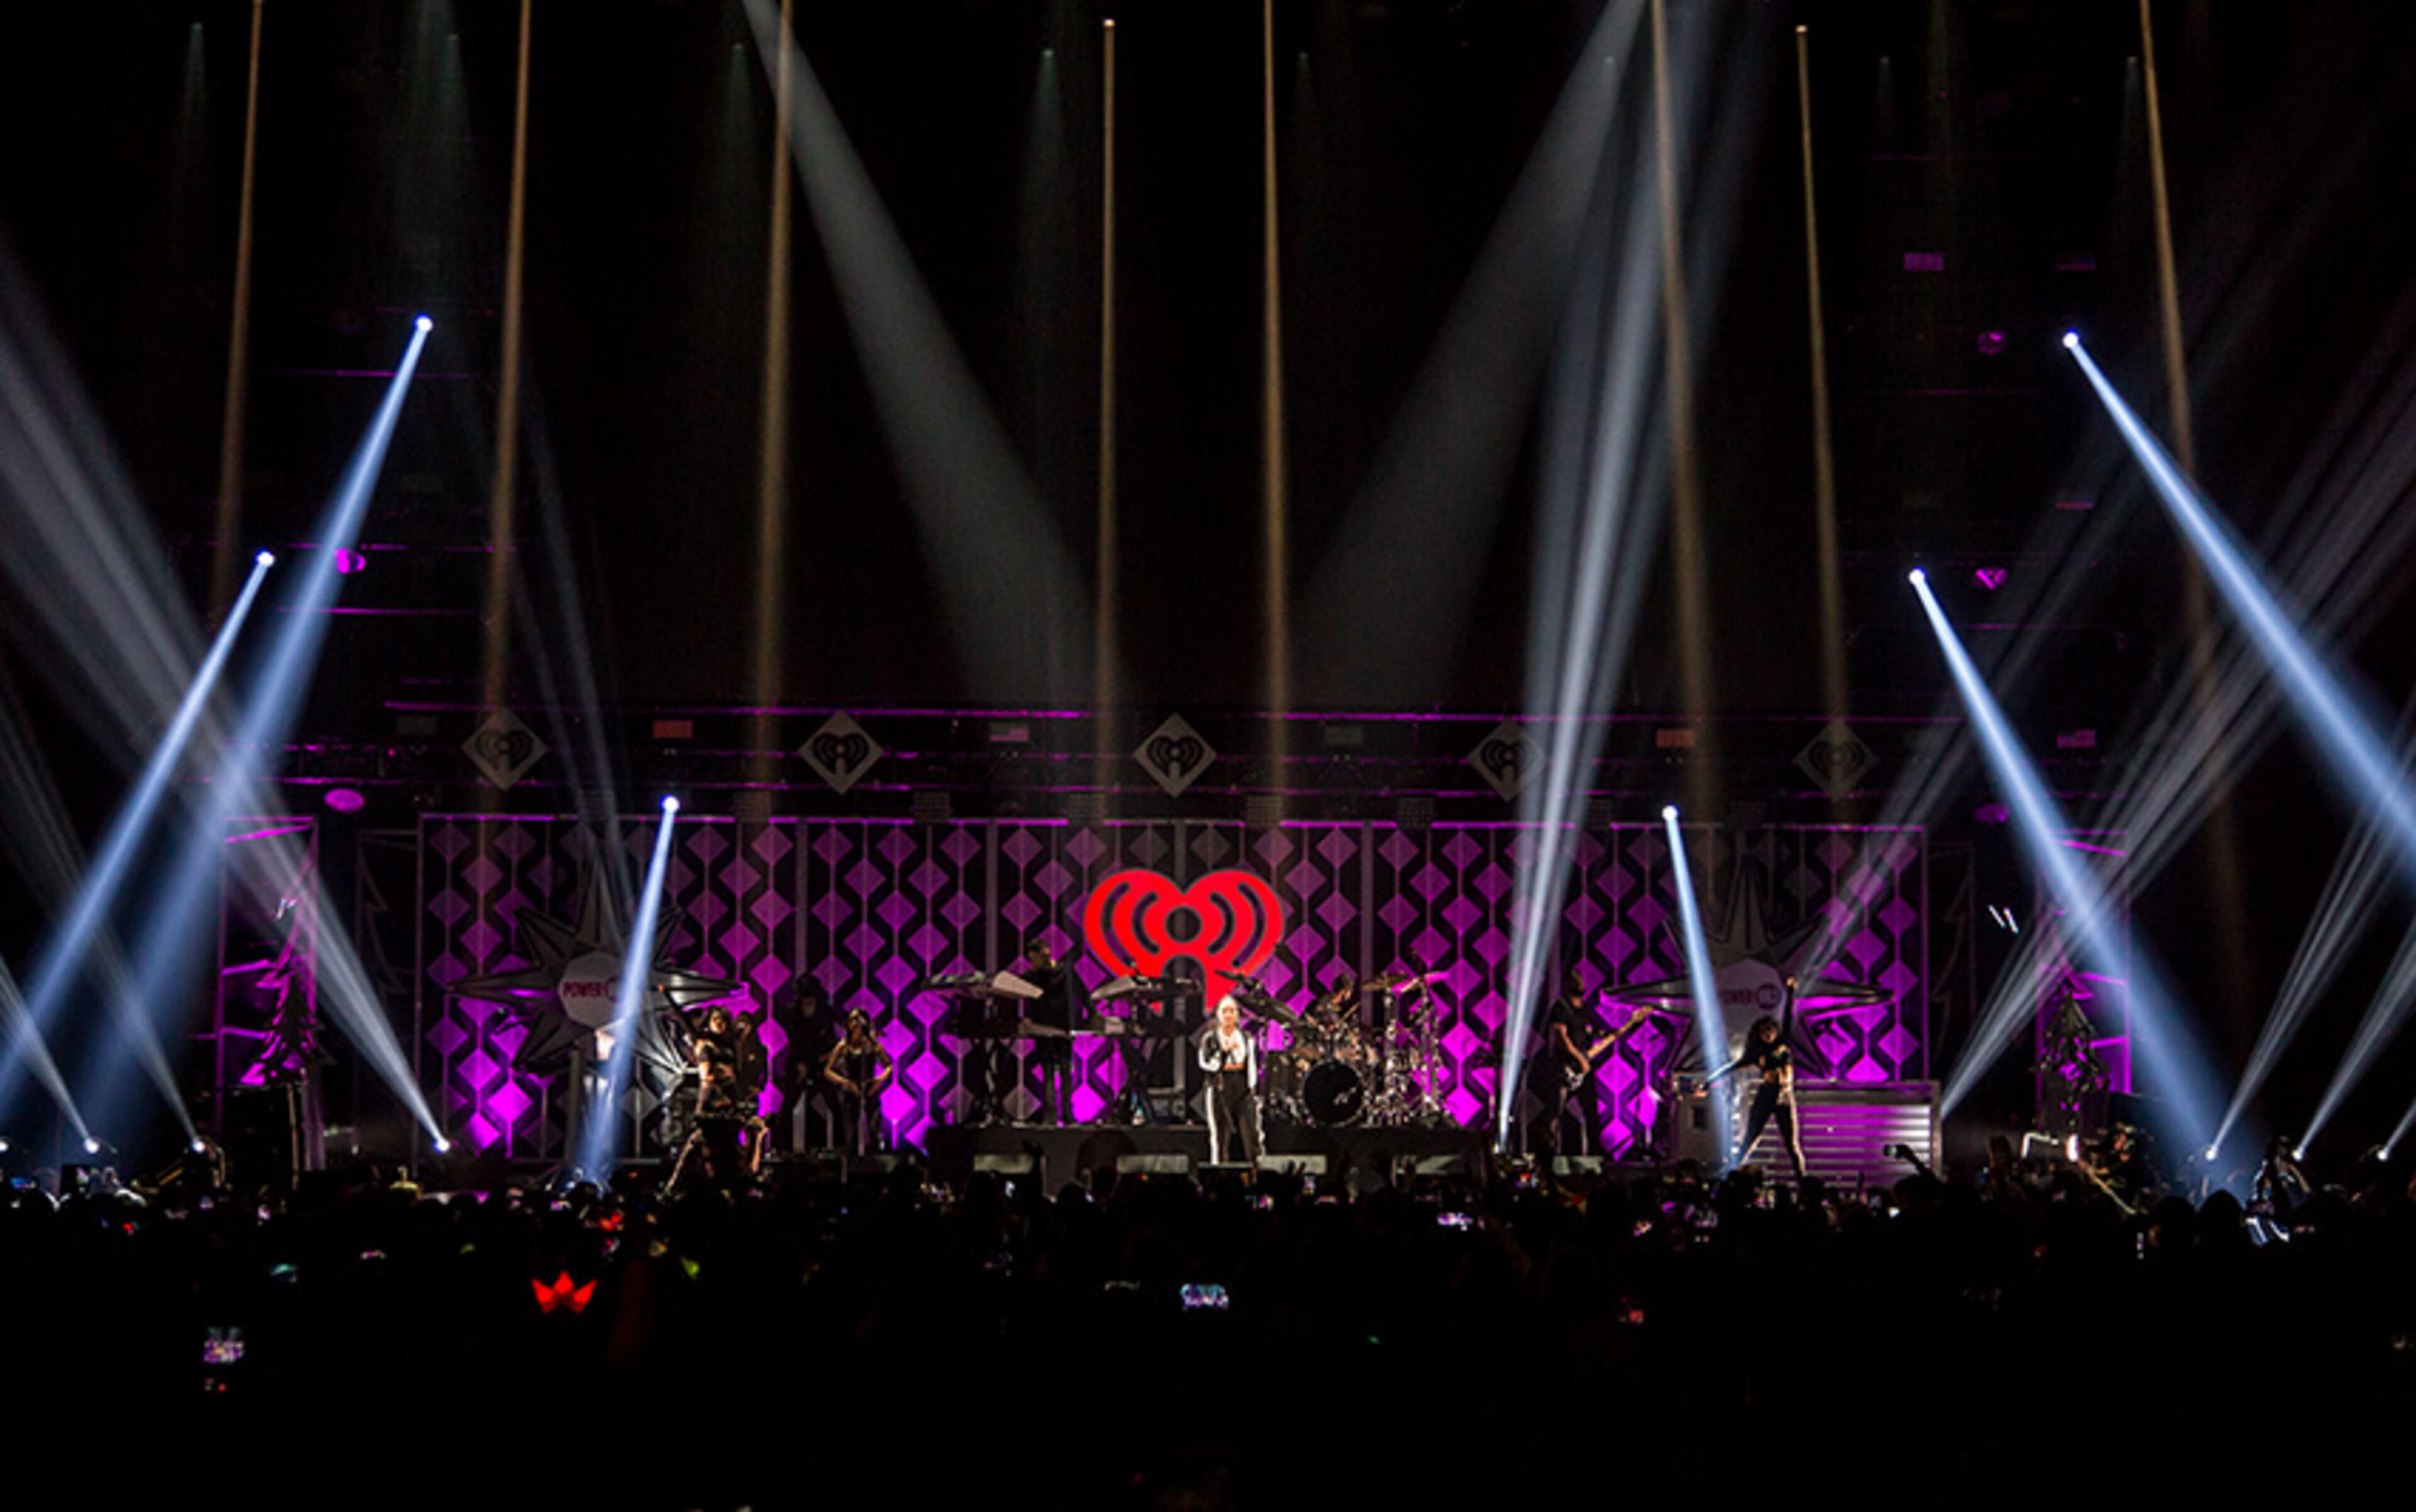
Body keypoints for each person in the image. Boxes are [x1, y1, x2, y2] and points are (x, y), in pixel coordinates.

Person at [1708, 1013, 1808, 1180]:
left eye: (1770, 1031)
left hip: (1784, 1098)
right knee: (1750, 1139)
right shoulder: (1757, 1053)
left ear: (1776, 1031)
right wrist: (1709, 1082)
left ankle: (1803, 1180)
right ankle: (1729, 1174)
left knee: (1792, 1145)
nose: (1768, 1034)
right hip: (1767, 1096)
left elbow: (1788, 1017)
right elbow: (1733, 1067)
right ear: (1760, 1035)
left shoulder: (1783, 1045)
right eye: (1764, 1032)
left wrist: (1791, 991)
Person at [1024, 936, 1082, 1124]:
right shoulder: (1033, 975)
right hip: (1043, 1028)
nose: (1035, 964)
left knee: (1064, 1070)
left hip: (1062, 1027)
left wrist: (1092, 1012)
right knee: (1049, 1071)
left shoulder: (1065, 971)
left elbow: (1082, 992)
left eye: (1036, 959)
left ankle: (1067, 1112)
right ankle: (1051, 1114)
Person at [1198, 995, 1261, 1167]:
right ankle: (1219, 1176)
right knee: (1220, 1137)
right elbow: (1205, 1063)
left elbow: (1253, 1064)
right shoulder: (1210, 1038)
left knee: (1251, 1135)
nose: (1228, 1015)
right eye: (1225, 1011)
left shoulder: (1246, 1037)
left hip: (1242, 1085)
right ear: (1218, 1015)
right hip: (1220, 1086)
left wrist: (1252, 1087)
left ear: (1237, 1015)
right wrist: (1223, 1052)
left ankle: (1255, 1175)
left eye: (1232, 1011)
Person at [822, 1008, 894, 1156]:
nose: (856, 1023)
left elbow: (889, 1066)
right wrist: (845, 1083)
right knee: (850, 1131)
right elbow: (827, 1071)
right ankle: (850, 1164)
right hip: (851, 1088)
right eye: (853, 1020)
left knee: (873, 1128)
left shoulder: (873, 1044)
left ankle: (875, 1162)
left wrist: (878, 1082)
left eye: (859, 1020)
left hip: (869, 1087)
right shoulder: (844, 1045)